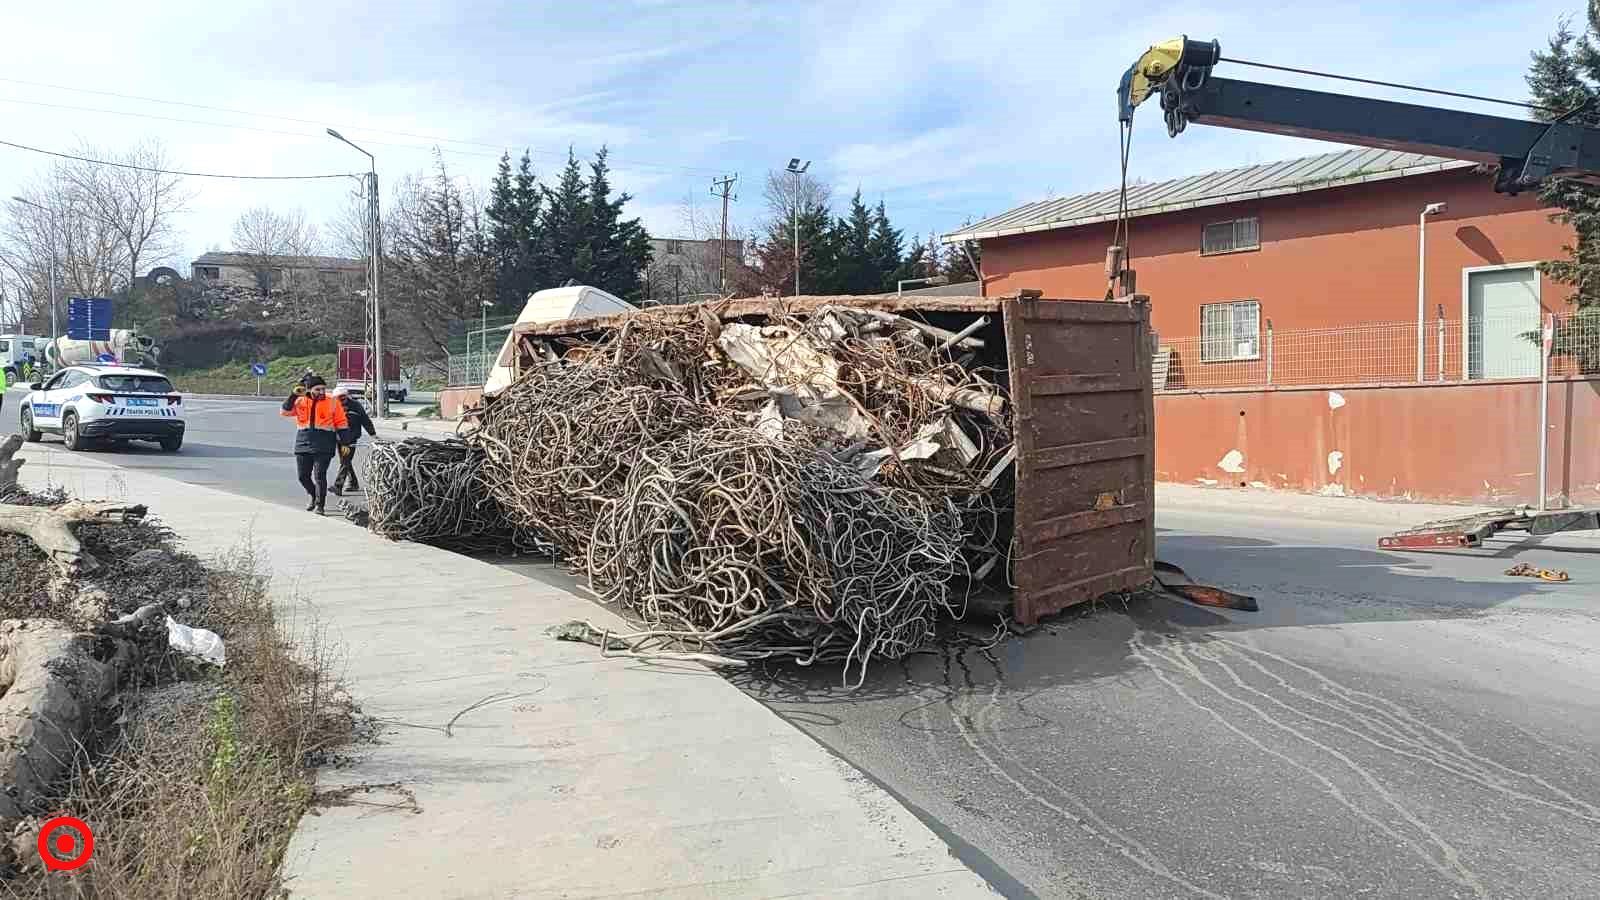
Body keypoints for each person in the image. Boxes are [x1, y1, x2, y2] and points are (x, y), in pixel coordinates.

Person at [280, 376, 348, 515]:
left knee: (319, 475)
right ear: (310, 390)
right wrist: (293, 395)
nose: (322, 391)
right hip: (303, 441)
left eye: (323, 388)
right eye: (318, 389)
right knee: (302, 476)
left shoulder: (333, 401)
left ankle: (320, 505)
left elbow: (341, 422)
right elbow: (285, 412)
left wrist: (345, 443)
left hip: (324, 443)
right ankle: (313, 495)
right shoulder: (300, 400)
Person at [330, 387, 376, 496]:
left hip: (351, 439)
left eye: (343, 397)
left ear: (347, 395)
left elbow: (365, 420)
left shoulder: (355, 406)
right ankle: (353, 483)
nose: (342, 400)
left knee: (345, 461)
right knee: (345, 461)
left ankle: (338, 486)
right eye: (338, 398)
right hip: (339, 438)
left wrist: (372, 434)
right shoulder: (333, 406)